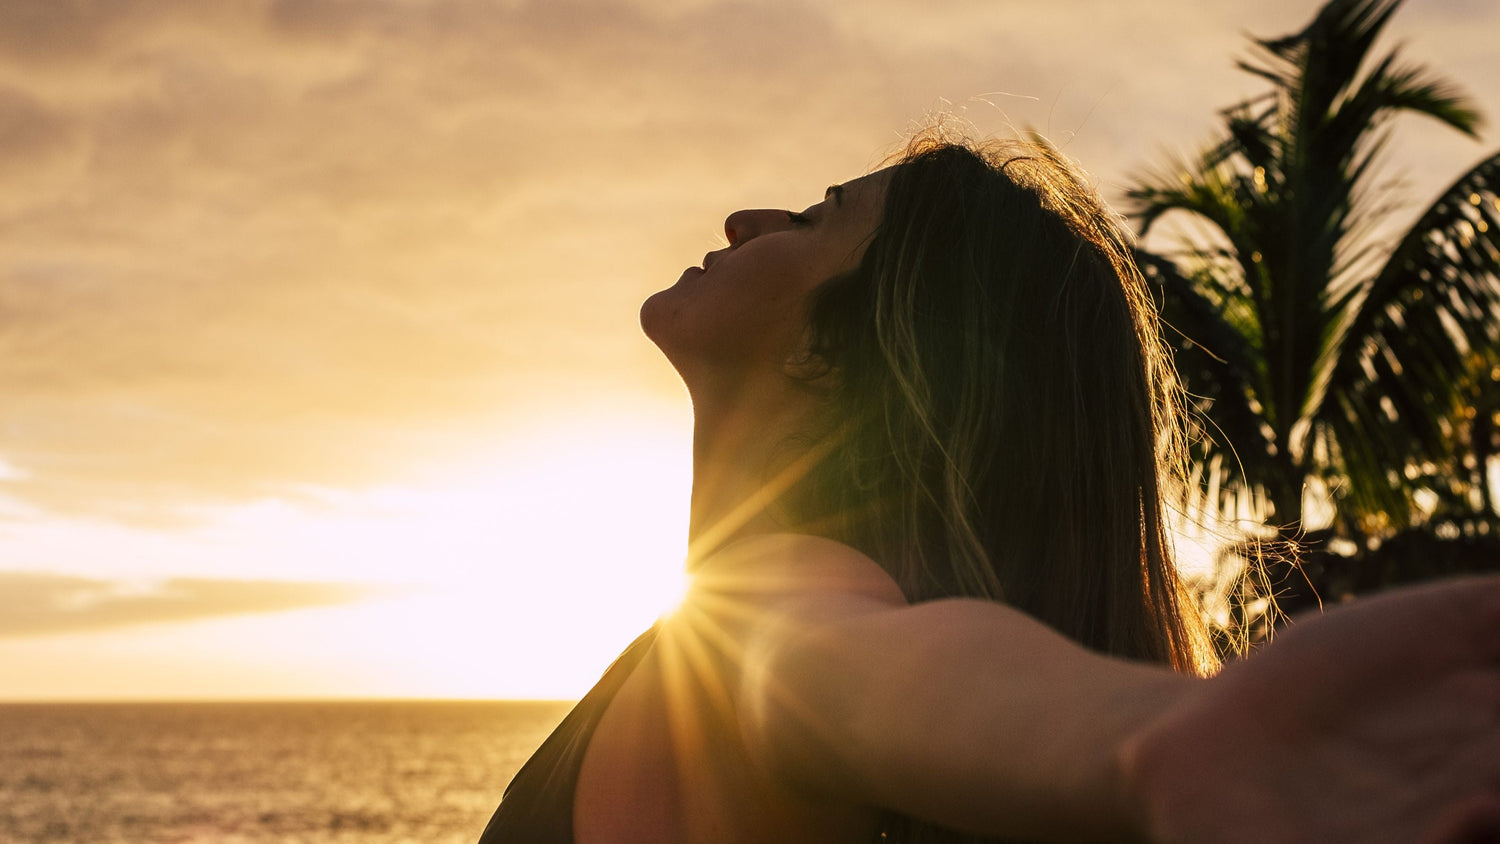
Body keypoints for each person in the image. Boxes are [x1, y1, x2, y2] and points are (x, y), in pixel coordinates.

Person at [478, 133, 1500, 843]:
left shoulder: (768, 601)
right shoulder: (734, 613)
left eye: (813, 217)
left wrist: (1149, 739)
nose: (746, 218)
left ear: (834, 354)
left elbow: (858, 669)